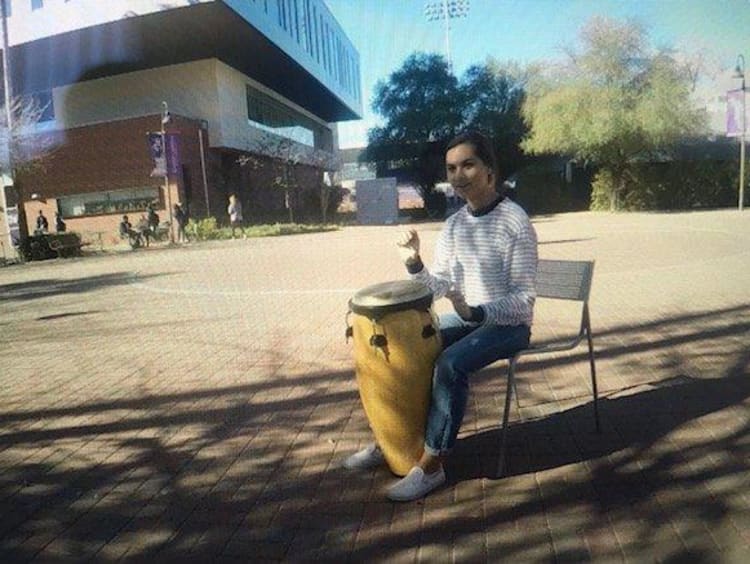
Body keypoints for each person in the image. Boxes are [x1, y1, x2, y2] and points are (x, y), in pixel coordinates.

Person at [343, 130, 538, 502]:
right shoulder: (454, 225)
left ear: (489, 170)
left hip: (509, 326)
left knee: (450, 364)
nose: (459, 175)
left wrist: (477, 310)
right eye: (451, 168)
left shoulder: (515, 221)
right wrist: (414, 261)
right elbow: (439, 286)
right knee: (404, 349)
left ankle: (431, 465)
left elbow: (524, 300)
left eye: (468, 164)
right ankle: (393, 441)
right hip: (470, 320)